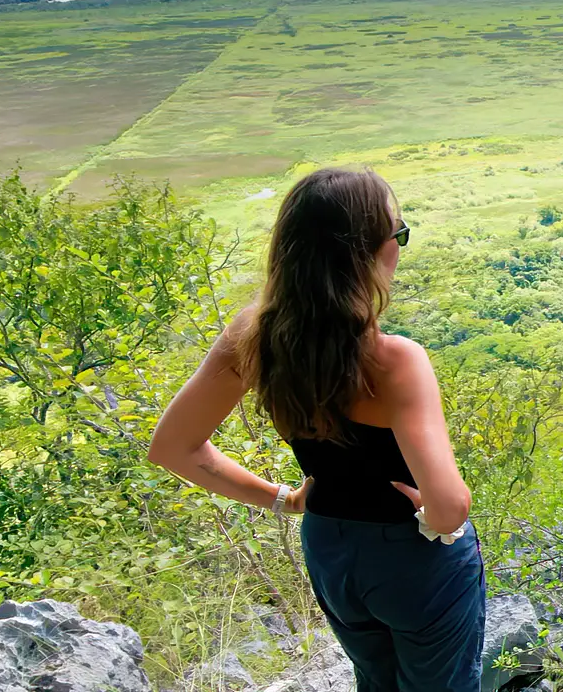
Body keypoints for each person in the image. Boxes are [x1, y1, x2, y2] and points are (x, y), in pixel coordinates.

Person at [148, 166, 481, 692]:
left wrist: (283, 499)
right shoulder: (394, 361)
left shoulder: (253, 335)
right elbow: (449, 506)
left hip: (329, 546)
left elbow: (172, 448)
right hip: (411, 555)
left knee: (374, 679)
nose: (398, 246)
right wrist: (435, 519)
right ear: (371, 252)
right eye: (398, 234)